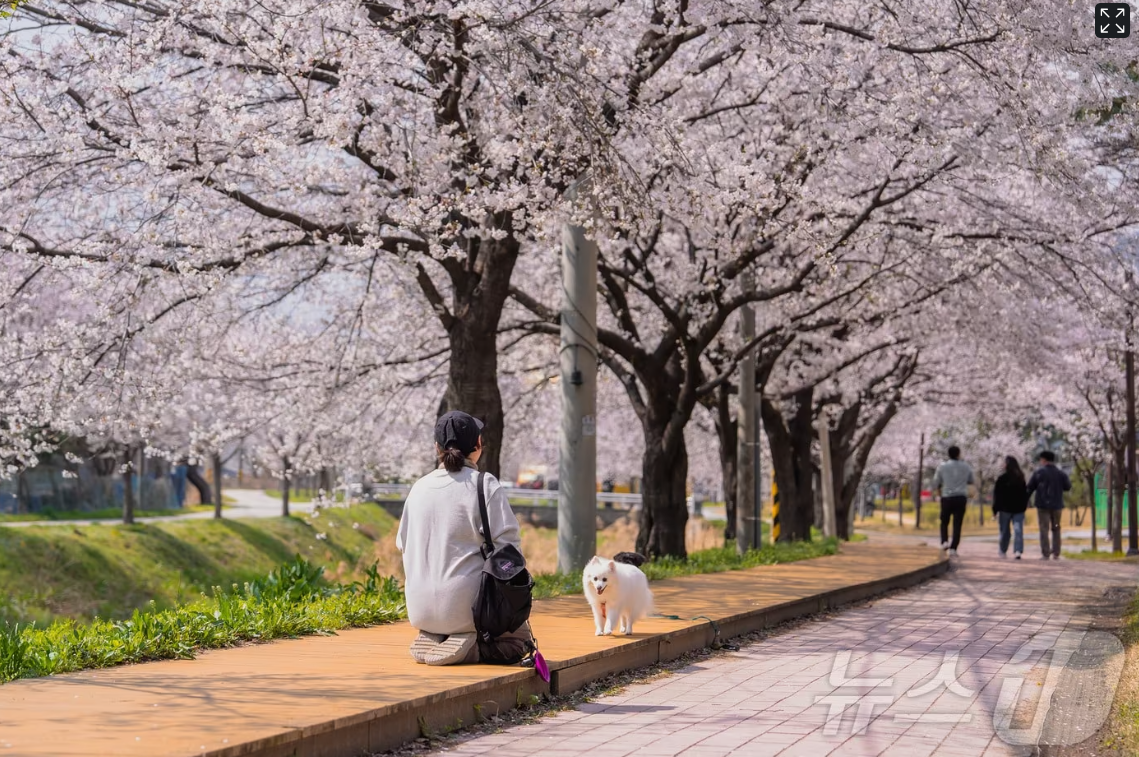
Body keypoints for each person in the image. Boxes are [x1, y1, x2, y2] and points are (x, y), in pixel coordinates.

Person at [396, 410, 533, 665]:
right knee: (519, 641)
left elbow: (402, 545)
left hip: (419, 610)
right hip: (469, 611)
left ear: (437, 447)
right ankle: (474, 647)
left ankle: (438, 632)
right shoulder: (483, 484)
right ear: (478, 445)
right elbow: (510, 552)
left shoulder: (418, 488)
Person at [1026, 449, 1071, 560]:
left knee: (1044, 528)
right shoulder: (1060, 473)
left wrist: (1025, 501)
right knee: (1056, 528)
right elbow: (1068, 486)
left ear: (1044, 459)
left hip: (1042, 506)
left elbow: (1030, 487)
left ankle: (1046, 553)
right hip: (1056, 506)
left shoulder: (1039, 472)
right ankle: (1056, 552)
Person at [932, 445, 974, 557]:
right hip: (960, 497)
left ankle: (944, 541)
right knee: (957, 523)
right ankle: (953, 548)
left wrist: (940, 489)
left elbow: (936, 482)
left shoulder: (942, 466)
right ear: (958, 454)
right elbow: (971, 480)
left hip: (947, 497)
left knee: (944, 521)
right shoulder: (966, 466)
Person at [992, 456, 1029, 559]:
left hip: (1007, 509)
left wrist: (995, 509)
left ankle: (1006, 550)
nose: (1003, 465)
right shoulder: (1019, 478)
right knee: (1017, 530)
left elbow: (997, 496)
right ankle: (1015, 550)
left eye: (1004, 463)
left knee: (1006, 531)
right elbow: (1025, 494)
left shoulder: (1004, 479)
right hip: (1016, 509)